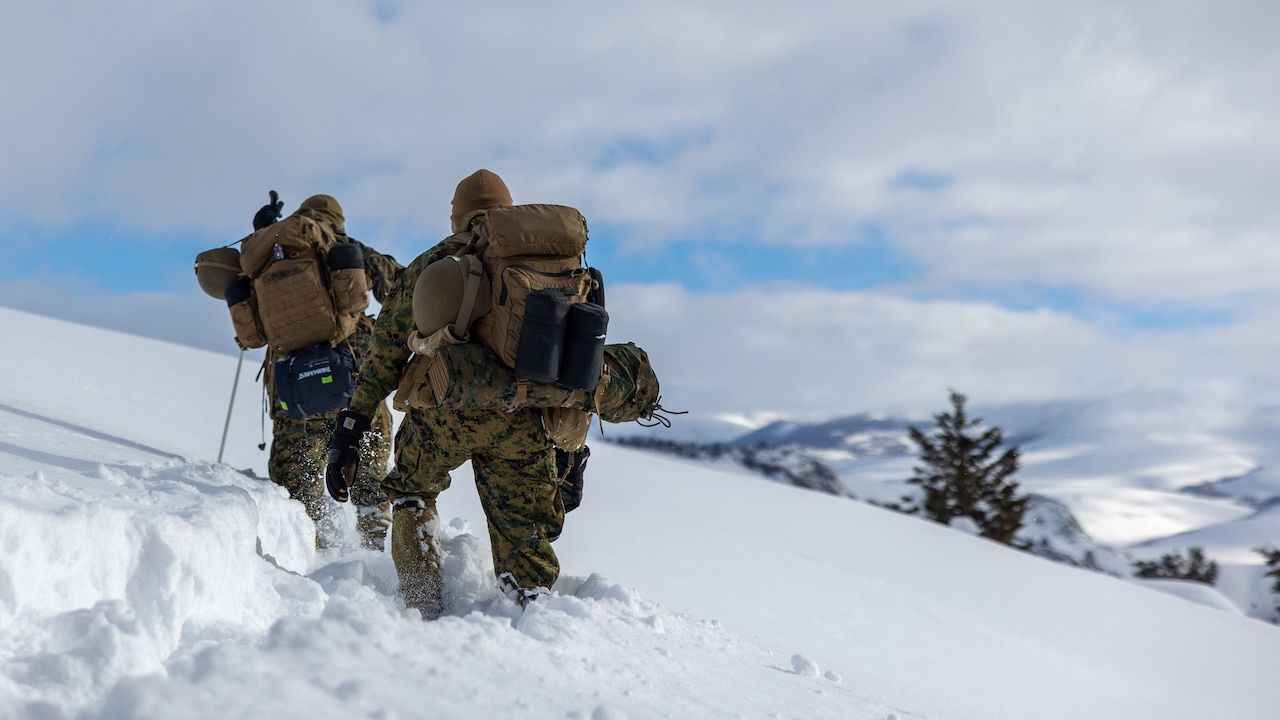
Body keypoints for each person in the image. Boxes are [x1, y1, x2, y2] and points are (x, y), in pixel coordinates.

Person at [325, 170, 569, 618]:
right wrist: (570, 446)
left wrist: (351, 428)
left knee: (412, 492)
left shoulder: (432, 262)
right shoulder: (545, 263)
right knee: (524, 531)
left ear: (456, 216)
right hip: (525, 419)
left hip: (444, 415)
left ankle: (422, 605)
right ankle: (534, 615)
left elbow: (384, 355)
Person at [258, 193, 403, 551]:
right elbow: (400, 286)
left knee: (296, 480)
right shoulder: (347, 249)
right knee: (368, 469)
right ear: (336, 221)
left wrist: (264, 232)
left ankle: (302, 552)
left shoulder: (269, 252)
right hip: (351, 380)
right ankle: (377, 544)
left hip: (291, 387)